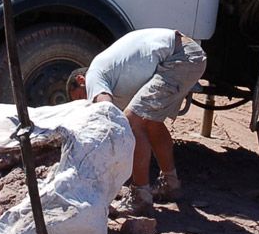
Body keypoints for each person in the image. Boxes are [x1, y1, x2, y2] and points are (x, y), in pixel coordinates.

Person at [67, 28, 207, 215]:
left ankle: (140, 197)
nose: (86, 102)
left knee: (132, 121)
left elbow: (106, 112)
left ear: (80, 79)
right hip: (188, 53)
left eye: (81, 96)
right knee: (150, 122)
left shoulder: (93, 74)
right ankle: (171, 184)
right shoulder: (114, 70)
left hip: (179, 57)